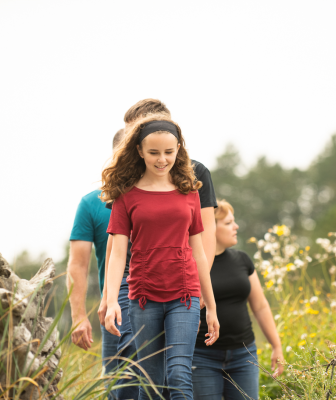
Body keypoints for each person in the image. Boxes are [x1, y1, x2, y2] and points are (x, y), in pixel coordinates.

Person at [97, 99, 218, 399]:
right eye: (153, 153)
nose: (162, 159)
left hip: (184, 291)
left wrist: (209, 300)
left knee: (178, 373)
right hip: (141, 293)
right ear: (138, 150)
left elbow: (200, 247)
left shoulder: (192, 186)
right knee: (146, 380)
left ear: (178, 148)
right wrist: (110, 298)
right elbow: (116, 250)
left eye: (168, 152)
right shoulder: (126, 192)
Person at [192, 200, 284, 400]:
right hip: (202, 357)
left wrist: (276, 345)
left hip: (244, 356)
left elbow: (260, 307)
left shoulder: (242, 260)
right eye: (228, 223)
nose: (236, 227)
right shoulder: (192, 264)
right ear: (209, 227)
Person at [66, 128, 126, 373]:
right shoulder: (91, 203)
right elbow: (78, 265)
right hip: (115, 310)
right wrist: (79, 316)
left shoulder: (166, 198)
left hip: (166, 307)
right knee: (119, 388)